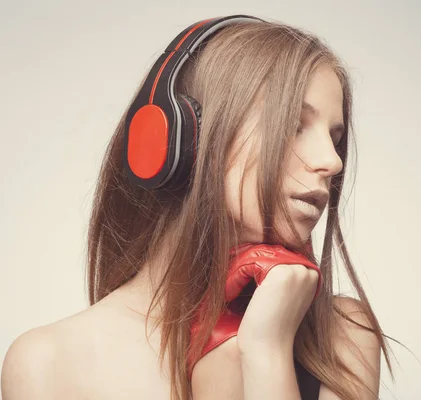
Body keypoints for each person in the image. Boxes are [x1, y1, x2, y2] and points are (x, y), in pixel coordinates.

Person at [1, 15, 395, 400]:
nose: (332, 161)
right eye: (293, 125)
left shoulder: (343, 335)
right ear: (186, 138)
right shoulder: (47, 364)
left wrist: (266, 352)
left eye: (335, 136)